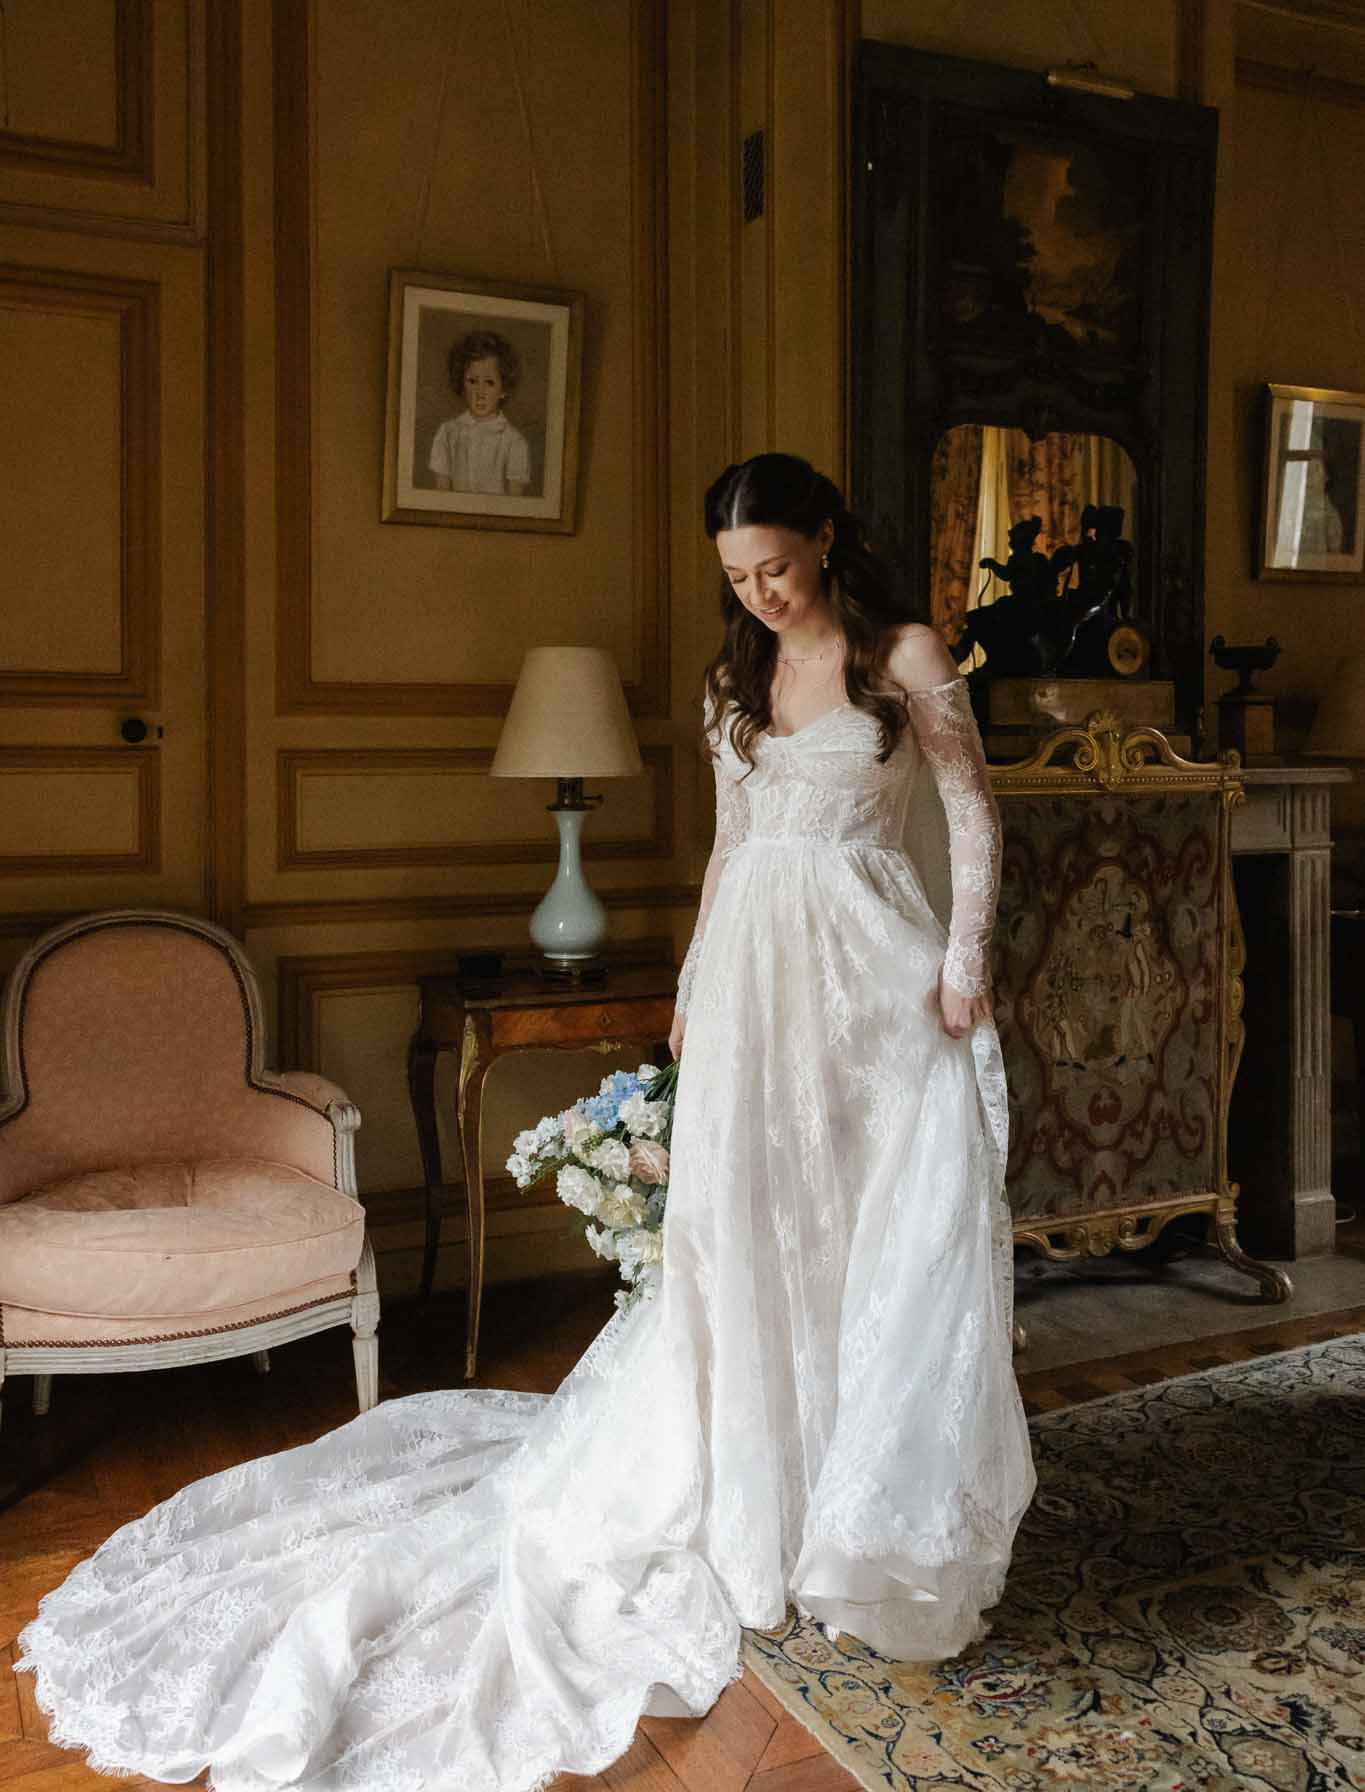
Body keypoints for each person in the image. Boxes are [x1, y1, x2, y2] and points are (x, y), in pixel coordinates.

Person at [18, 453, 1035, 1792]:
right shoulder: (735, 679)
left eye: (777, 566)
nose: (762, 593)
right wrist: (688, 982)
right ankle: (758, 1508)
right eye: (738, 577)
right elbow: (728, 848)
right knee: (746, 1236)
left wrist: (964, 961)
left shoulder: (902, 652)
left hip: (876, 985)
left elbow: (972, 810)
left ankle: (858, 1516)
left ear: (830, 541)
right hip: (754, 990)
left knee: (879, 1239)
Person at [428, 329, 532, 497]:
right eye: (473, 381)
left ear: (503, 389)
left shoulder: (514, 442)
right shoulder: (447, 433)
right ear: (461, 384)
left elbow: (515, 504)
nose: (480, 392)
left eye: (490, 383)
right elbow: (441, 495)